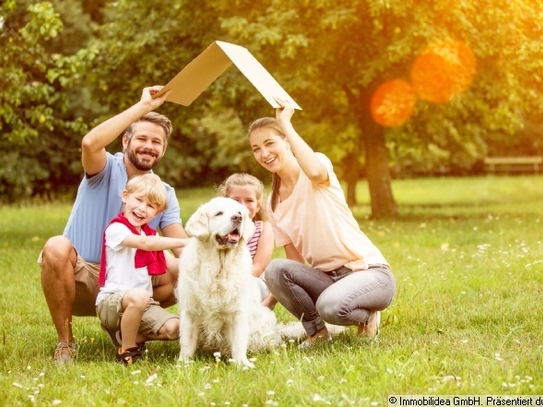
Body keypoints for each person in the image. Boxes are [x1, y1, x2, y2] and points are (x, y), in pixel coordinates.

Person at [38, 86, 188, 363]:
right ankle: (65, 343)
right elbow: (89, 143)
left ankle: (129, 332)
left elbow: (184, 250)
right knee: (56, 246)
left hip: (131, 283)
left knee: (181, 270)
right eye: (141, 138)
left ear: (163, 149)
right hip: (83, 277)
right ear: (125, 142)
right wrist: (144, 106)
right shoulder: (104, 168)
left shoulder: (163, 192)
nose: (148, 146)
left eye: (156, 142)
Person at [247, 98, 396, 348]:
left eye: (270, 143)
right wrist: (267, 305)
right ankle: (317, 334)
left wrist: (285, 123)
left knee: (331, 307)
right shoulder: (273, 202)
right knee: (275, 269)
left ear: (286, 141)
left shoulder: (316, 166)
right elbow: (294, 262)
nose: (264, 153)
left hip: (369, 273)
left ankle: (367, 315)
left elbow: (315, 172)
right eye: (256, 148)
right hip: (327, 279)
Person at [97, 173, 188, 365]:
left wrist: (209, 261)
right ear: (125, 196)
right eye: (138, 200)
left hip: (143, 305)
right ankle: (127, 350)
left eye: (151, 206)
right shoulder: (117, 229)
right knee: (139, 296)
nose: (142, 208)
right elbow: (145, 243)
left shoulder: (150, 233)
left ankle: (129, 335)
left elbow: (174, 265)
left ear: (156, 213)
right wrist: (186, 241)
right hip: (111, 303)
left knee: (178, 328)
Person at [217, 173, 276, 309]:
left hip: (251, 281)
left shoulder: (264, 228)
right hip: (218, 283)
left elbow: (258, 267)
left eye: (249, 200)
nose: (242, 206)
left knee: (251, 287)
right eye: (236, 200)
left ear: (258, 206)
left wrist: (230, 282)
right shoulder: (217, 230)